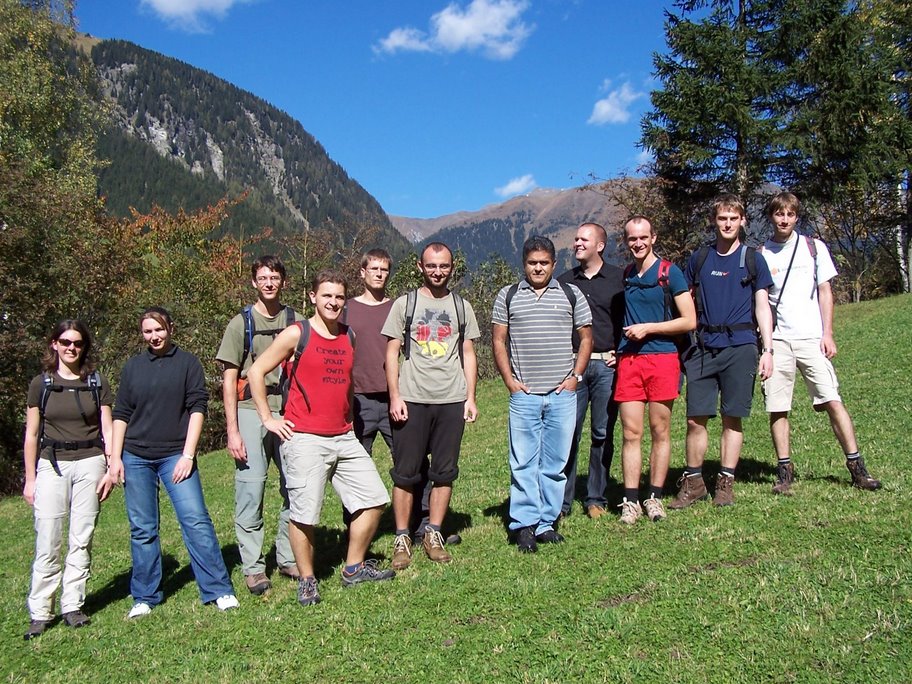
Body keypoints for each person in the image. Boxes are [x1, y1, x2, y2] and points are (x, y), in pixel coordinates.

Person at [247, 271, 395, 608]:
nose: (333, 302)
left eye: (339, 297)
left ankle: (353, 567)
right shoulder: (297, 334)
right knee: (305, 515)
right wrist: (268, 418)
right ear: (313, 297)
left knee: (374, 500)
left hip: (344, 436)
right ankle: (308, 580)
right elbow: (256, 372)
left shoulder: (349, 335)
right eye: (326, 296)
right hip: (304, 439)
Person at [108, 307, 238, 618]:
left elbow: (197, 408)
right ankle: (145, 596)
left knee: (195, 520)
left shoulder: (188, 363)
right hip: (135, 457)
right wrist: (115, 458)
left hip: (175, 456)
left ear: (170, 328)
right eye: (147, 331)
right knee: (143, 529)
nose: (154, 336)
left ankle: (218, 589)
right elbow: (121, 413)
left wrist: (187, 455)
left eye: (159, 329)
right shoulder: (133, 367)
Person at [760, 192, 881, 494]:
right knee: (778, 407)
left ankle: (857, 467)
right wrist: (767, 348)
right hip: (779, 340)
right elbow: (761, 302)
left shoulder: (814, 248)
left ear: (796, 216)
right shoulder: (762, 253)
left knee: (832, 399)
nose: (784, 219)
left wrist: (828, 333)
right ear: (771, 217)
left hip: (812, 338)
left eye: (790, 213)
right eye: (779, 214)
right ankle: (784, 471)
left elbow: (825, 291)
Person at [670, 195, 774, 510]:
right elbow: (683, 297)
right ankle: (694, 482)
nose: (727, 224)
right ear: (714, 221)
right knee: (694, 419)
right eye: (722, 218)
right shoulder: (700, 258)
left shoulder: (753, 259)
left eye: (733, 218)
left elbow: (762, 305)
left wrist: (767, 349)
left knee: (733, 418)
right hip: (702, 347)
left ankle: (725, 483)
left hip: (741, 346)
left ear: (742, 220)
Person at [382, 242, 480, 568]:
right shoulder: (404, 304)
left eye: (444, 266)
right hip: (412, 398)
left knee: (444, 472)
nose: (438, 271)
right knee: (405, 473)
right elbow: (391, 352)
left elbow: (468, 353)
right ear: (420, 267)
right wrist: (395, 396)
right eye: (432, 266)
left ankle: (433, 532)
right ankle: (401, 537)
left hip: (451, 399)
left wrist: (470, 397)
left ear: (453, 267)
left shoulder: (462, 307)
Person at [493, 236, 593, 552]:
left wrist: (576, 377)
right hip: (525, 395)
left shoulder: (570, 293)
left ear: (553, 263)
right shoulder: (507, 295)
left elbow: (587, 338)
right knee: (523, 462)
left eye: (544, 263)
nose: (538, 268)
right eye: (533, 262)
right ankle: (524, 525)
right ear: (524, 264)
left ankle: (546, 523)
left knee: (555, 462)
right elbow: (498, 341)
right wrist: (510, 381)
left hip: (562, 393)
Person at [22, 320, 117, 640]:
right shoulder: (41, 384)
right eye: (65, 342)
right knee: (48, 537)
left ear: (84, 347)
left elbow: (107, 428)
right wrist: (30, 478)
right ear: (54, 344)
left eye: (77, 343)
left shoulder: (95, 382)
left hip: (90, 462)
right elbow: (32, 434)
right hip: (52, 464)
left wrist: (110, 466)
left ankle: (72, 604)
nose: (71, 348)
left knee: (81, 536)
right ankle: (40, 610)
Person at [216, 255, 302, 596]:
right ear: (254, 282)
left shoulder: (295, 319)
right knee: (251, 489)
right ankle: (253, 567)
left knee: (294, 486)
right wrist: (233, 430)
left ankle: (286, 555)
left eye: (275, 277)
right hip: (251, 410)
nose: (269, 283)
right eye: (263, 277)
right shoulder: (240, 324)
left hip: (290, 409)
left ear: (283, 281)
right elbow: (228, 379)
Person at [616, 215, 696, 524]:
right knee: (631, 432)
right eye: (631, 238)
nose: (637, 243)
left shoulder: (669, 273)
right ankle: (631, 501)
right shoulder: (626, 274)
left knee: (660, 430)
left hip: (662, 358)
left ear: (653, 238)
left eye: (642, 237)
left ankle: (655, 498)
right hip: (629, 361)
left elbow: (689, 320)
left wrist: (649, 328)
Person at [557, 222, 624, 519]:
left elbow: (628, 318)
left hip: (607, 366)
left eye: (584, 239)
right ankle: (562, 501)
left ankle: (595, 496)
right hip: (573, 366)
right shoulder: (563, 282)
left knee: (602, 432)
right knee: (568, 433)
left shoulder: (619, 279)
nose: (577, 244)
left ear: (600, 245)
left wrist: (622, 353)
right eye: (575, 239)